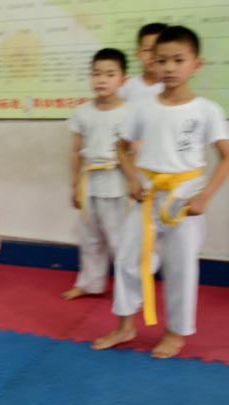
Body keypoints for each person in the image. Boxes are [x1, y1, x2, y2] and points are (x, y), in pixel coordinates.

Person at [92, 26, 229, 359]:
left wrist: (205, 196)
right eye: (162, 60)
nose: (169, 68)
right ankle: (125, 324)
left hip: (184, 199)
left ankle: (175, 333)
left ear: (195, 64)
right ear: (152, 63)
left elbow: (228, 157)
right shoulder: (143, 107)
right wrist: (131, 177)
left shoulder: (206, 109)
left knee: (180, 266)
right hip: (147, 196)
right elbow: (123, 147)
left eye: (178, 60)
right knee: (127, 259)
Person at [62, 48, 131, 300]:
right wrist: (73, 185)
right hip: (89, 181)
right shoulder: (83, 112)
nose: (102, 79)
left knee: (119, 239)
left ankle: (129, 287)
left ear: (123, 80)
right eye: (97, 73)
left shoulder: (130, 112)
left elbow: (136, 152)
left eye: (110, 74)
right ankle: (90, 283)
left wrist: (135, 182)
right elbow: (75, 151)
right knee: (90, 237)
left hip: (118, 181)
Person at [117, 23, 167, 102]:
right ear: (138, 52)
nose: (152, 56)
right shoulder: (126, 87)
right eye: (147, 50)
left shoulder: (171, 87)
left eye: (158, 50)